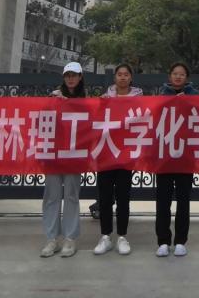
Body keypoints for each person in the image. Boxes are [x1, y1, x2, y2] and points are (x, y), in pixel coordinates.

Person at [94, 63, 142, 256]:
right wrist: (100, 105)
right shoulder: (105, 98)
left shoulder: (139, 99)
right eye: (119, 74)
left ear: (131, 78)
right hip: (106, 153)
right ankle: (105, 236)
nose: (122, 77)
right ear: (115, 78)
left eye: (126, 74)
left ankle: (122, 236)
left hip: (126, 154)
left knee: (123, 198)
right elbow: (95, 122)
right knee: (105, 197)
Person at [41, 62, 86, 258]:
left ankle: (70, 238)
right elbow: (43, 120)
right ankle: (51, 238)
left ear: (80, 77)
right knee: (51, 196)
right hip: (53, 153)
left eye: (74, 75)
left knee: (71, 196)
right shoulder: (54, 96)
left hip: (74, 154)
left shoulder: (85, 100)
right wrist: (53, 103)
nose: (70, 78)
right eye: (67, 75)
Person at [154, 62, 199, 257]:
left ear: (186, 77)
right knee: (162, 201)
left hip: (185, 154)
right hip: (164, 155)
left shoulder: (194, 95)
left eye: (182, 74)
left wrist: (187, 103)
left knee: (183, 200)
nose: (178, 77)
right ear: (169, 76)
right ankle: (163, 241)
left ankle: (181, 240)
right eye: (175, 73)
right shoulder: (161, 94)